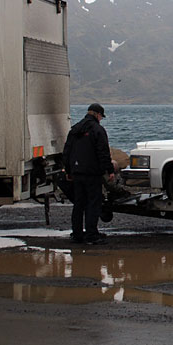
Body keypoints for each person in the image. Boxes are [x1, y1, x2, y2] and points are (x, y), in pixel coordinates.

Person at [62, 103, 115, 244]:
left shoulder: (75, 129)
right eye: (101, 116)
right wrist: (109, 170)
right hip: (92, 174)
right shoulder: (98, 130)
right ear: (97, 114)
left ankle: (77, 234)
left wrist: (68, 170)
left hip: (77, 173)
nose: (101, 119)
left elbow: (67, 152)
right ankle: (92, 235)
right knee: (93, 204)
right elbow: (103, 153)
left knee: (79, 204)